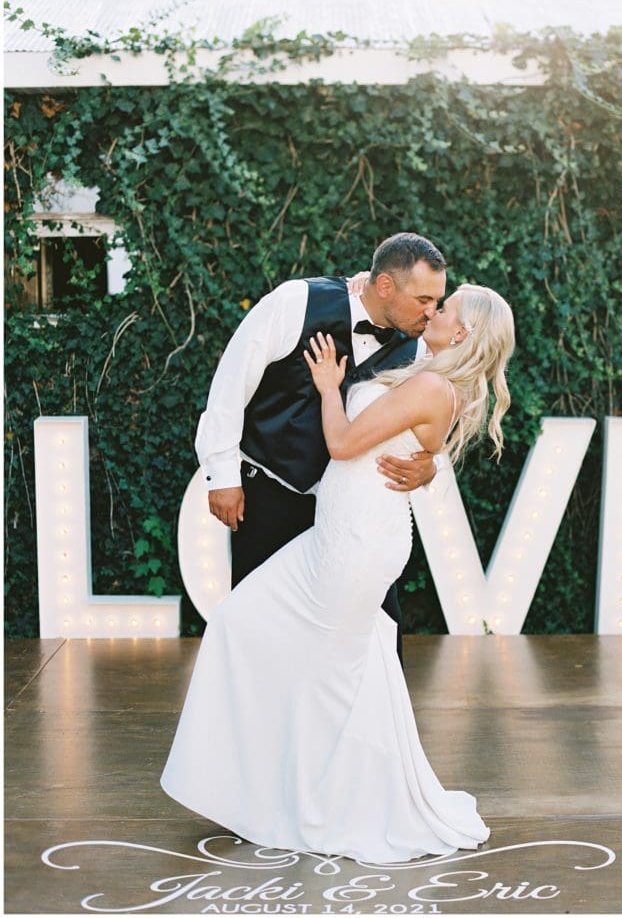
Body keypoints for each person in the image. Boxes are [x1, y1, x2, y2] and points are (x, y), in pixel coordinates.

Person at [161, 283, 515, 864]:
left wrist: (330, 387)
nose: (433, 310)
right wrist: (429, 461)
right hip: (340, 536)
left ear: (463, 332)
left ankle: (320, 804)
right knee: (337, 664)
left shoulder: (431, 382)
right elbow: (419, 437)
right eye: (430, 300)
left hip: (355, 544)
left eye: (444, 306)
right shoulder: (429, 371)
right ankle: (308, 789)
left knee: (301, 660)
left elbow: (345, 443)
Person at [196, 232, 447, 662]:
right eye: (423, 299)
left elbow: (435, 419)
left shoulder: (422, 348)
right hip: (272, 493)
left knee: (379, 637)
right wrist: (222, 475)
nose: (431, 311)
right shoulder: (297, 301)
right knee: (260, 629)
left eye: (437, 301)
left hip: (355, 514)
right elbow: (231, 382)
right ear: (385, 286)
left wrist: (432, 465)